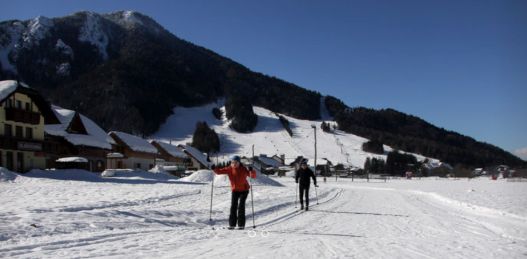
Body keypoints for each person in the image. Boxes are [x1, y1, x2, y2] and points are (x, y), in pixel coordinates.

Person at [212, 155, 256, 229]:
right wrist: (214, 168)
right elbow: (219, 171)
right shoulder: (229, 169)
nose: (234, 164)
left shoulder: (243, 169)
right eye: (232, 162)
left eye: (236, 162)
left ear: (239, 163)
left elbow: (253, 176)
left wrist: (251, 170)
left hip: (244, 190)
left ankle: (241, 225)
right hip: (235, 190)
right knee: (233, 207)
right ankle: (232, 224)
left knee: (241, 206)